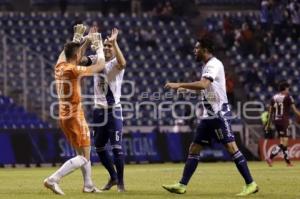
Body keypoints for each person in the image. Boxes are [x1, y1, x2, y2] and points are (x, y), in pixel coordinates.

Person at [162, 37, 258, 196]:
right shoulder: (207, 66)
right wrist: (188, 90)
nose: (194, 50)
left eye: (196, 48)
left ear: (205, 49)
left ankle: (251, 183)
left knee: (231, 148)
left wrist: (179, 84)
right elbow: (205, 89)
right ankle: (182, 185)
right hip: (209, 116)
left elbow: (203, 85)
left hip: (219, 114)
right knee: (194, 148)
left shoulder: (213, 64)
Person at [43, 24, 105, 195]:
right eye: (80, 53)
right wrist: (98, 45)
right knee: (84, 155)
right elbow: (99, 65)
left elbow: (69, 53)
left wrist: (80, 40)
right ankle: (53, 179)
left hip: (64, 115)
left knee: (83, 150)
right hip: (75, 115)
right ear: (77, 56)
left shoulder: (60, 66)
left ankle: (88, 185)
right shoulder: (72, 70)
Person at [82, 28, 127, 192]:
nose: (107, 48)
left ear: (114, 49)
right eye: (105, 45)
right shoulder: (96, 60)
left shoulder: (116, 62)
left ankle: (121, 183)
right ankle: (113, 177)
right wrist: (87, 40)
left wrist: (115, 42)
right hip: (98, 111)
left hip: (114, 111)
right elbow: (78, 59)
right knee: (99, 146)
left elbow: (123, 64)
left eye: (110, 46)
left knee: (116, 147)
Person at [265, 81, 300, 167]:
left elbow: (270, 112)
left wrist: (268, 124)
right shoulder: (288, 97)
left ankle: (288, 162)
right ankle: (270, 157)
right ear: (284, 89)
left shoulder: (273, 98)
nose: (288, 90)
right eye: (287, 88)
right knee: (284, 142)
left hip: (276, 121)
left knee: (283, 141)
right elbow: (294, 110)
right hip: (284, 121)